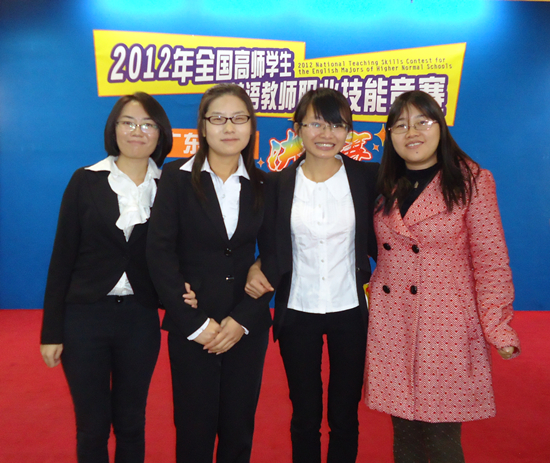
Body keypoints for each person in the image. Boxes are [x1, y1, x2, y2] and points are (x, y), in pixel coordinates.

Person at [364, 90, 520, 463]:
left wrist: (498, 327)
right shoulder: (384, 182)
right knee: (404, 434)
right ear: (390, 134)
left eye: (423, 121)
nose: (412, 132)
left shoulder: (471, 180)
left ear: (440, 126)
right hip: (392, 320)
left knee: (441, 437)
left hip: (445, 323)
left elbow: (491, 261)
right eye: (401, 125)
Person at [40, 92, 192, 463]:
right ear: (114, 128)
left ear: (161, 133)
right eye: (128, 122)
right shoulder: (85, 181)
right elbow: (62, 258)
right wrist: (51, 332)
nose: (137, 131)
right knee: (91, 425)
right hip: (84, 318)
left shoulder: (172, 186)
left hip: (139, 318)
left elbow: (180, 253)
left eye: (148, 124)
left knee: (131, 422)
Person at [245, 88, 379, 463]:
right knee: (304, 413)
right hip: (297, 309)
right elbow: (269, 243)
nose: (326, 134)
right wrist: (255, 265)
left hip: (351, 310)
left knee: (344, 414)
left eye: (337, 125)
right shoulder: (277, 185)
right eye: (316, 124)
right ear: (297, 129)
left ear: (349, 131)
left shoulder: (367, 178)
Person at [146, 83, 272, 463]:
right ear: (202, 126)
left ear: (251, 126)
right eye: (218, 118)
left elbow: (275, 256)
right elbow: (159, 251)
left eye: (239, 118)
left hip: (245, 325)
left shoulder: (265, 183)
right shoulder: (175, 177)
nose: (229, 127)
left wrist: (243, 319)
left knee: (238, 430)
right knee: (193, 430)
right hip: (193, 323)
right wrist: (194, 323)